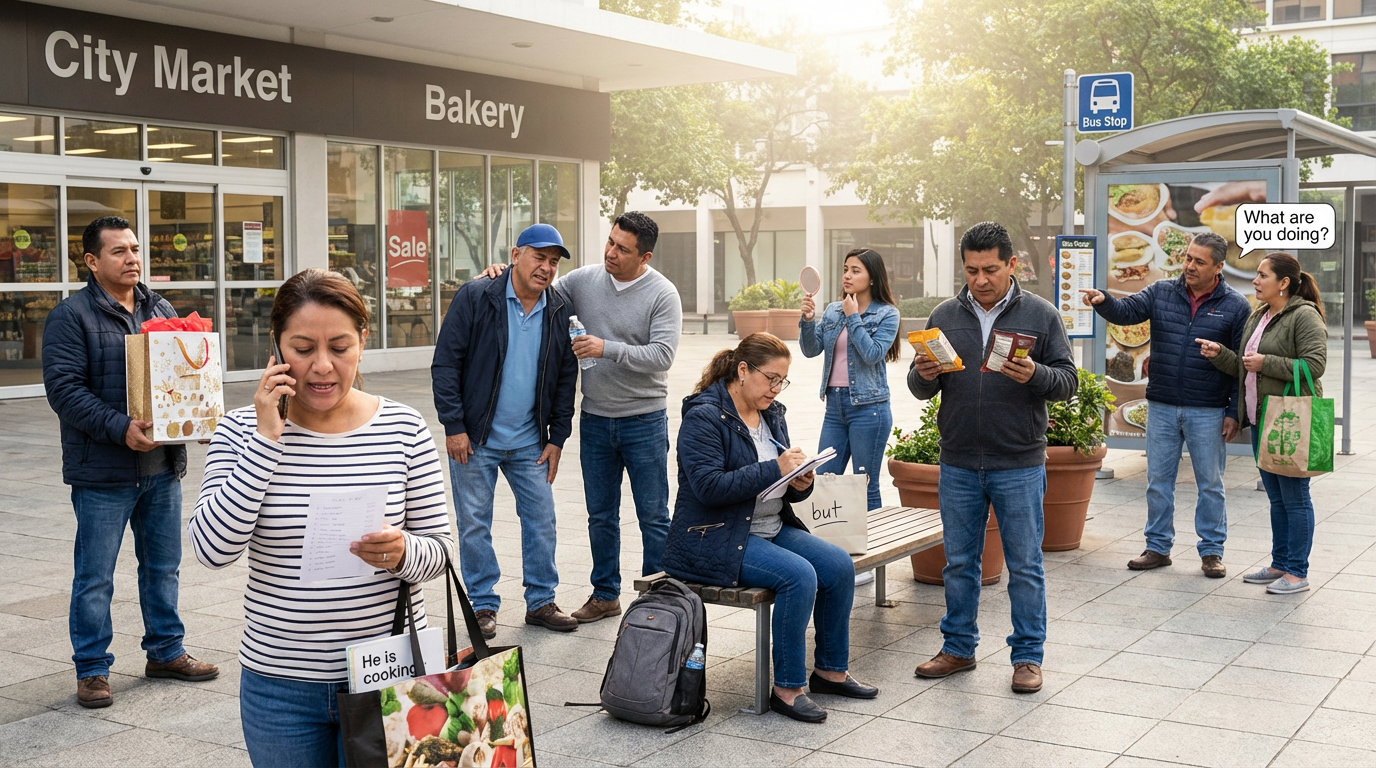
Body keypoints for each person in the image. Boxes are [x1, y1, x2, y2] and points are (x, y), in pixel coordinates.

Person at [189, 270, 451, 767]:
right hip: (279, 683)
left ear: (363, 342)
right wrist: (266, 441)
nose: (322, 366)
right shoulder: (241, 430)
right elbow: (211, 549)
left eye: (340, 346)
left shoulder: (403, 428)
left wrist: (402, 553)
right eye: (303, 348)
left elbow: (441, 550)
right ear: (276, 346)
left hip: (388, 671)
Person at [42, 216, 218, 710]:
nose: (132, 258)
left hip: (161, 467)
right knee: (95, 575)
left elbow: (180, 378)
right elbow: (65, 392)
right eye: (119, 251)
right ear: (92, 261)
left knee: (163, 567)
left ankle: (165, 651)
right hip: (102, 472)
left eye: (136, 249)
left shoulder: (157, 307)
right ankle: (93, 669)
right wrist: (122, 428)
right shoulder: (70, 317)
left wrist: (196, 416)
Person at [661, 333, 879, 724]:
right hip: (716, 535)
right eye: (771, 378)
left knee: (839, 565)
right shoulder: (705, 416)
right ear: (742, 371)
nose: (776, 389)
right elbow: (708, 487)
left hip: (768, 525)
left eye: (783, 381)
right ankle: (788, 689)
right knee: (799, 576)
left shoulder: (771, 413)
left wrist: (801, 481)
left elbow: (783, 488)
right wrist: (774, 469)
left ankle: (830, 671)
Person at [479, 212, 682, 625]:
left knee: (653, 515)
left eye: (622, 249)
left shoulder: (663, 294)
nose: (611, 252)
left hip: (644, 419)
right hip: (595, 420)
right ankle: (605, 594)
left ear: (644, 257)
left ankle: (660, 600)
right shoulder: (584, 280)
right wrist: (501, 272)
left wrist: (605, 347)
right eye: (610, 242)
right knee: (600, 515)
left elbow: (663, 355)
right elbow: (539, 282)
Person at [908, 221, 1078, 694]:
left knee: (1025, 564)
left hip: (1020, 462)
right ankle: (958, 648)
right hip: (958, 461)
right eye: (971, 270)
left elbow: (1068, 382)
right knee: (959, 562)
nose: (980, 279)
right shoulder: (944, 314)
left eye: (990, 269)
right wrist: (923, 374)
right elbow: (921, 388)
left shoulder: (1041, 315)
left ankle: (1027, 657)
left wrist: (1035, 375)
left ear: (1011, 265)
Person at [432, 223, 579, 639]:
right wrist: (454, 426)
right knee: (475, 523)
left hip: (530, 440)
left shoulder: (559, 308)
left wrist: (557, 437)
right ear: (516, 255)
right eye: (539, 257)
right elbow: (446, 363)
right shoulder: (477, 296)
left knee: (542, 520)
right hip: (475, 440)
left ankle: (541, 601)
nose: (546, 268)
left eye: (553, 262)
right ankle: (482, 605)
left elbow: (567, 377)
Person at [1081, 231, 1251, 578]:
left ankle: (1212, 552)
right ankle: (1157, 547)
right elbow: (1126, 312)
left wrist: (1234, 412)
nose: (1188, 265)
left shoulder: (1236, 306)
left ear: (1218, 267)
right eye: (1188, 258)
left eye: (1198, 261)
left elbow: (1239, 366)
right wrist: (1103, 301)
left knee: (1210, 484)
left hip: (1208, 408)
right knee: (1158, 480)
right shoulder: (1161, 291)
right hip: (1160, 405)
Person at [1198, 252, 1327, 595]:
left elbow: (1314, 365)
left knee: (1296, 498)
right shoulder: (1260, 315)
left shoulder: (1304, 315)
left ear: (1284, 283)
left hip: (1289, 419)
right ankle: (1280, 564)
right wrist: (1220, 355)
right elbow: (1246, 367)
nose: (1255, 280)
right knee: (1277, 499)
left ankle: (1298, 573)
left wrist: (1266, 362)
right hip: (1262, 419)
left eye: (1262, 275)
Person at [799, 247, 902, 511]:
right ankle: (831, 544)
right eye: (846, 269)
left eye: (856, 270)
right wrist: (808, 320)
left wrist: (853, 316)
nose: (847, 275)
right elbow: (810, 350)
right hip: (834, 408)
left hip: (870, 409)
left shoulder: (887, 314)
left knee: (865, 484)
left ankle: (876, 547)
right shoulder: (833, 310)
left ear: (872, 278)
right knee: (822, 480)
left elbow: (872, 354)